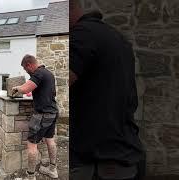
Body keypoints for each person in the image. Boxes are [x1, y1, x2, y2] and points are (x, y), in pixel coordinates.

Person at [70, 1, 146, 180]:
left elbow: (59, 86)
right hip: (123, 151)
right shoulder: (117, 37)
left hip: (100, 160)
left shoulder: (81, 34)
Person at [12, 54, 59, 180]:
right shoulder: (48, 73)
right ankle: (53, 170)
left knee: (32, 144)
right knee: (50, 140)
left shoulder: (38, 73)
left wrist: (16, 88)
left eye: (25, 68)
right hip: (53, 112)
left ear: (29, 65)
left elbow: (25, 88)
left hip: (42, 115)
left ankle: (30, 176)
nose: (26, 71)